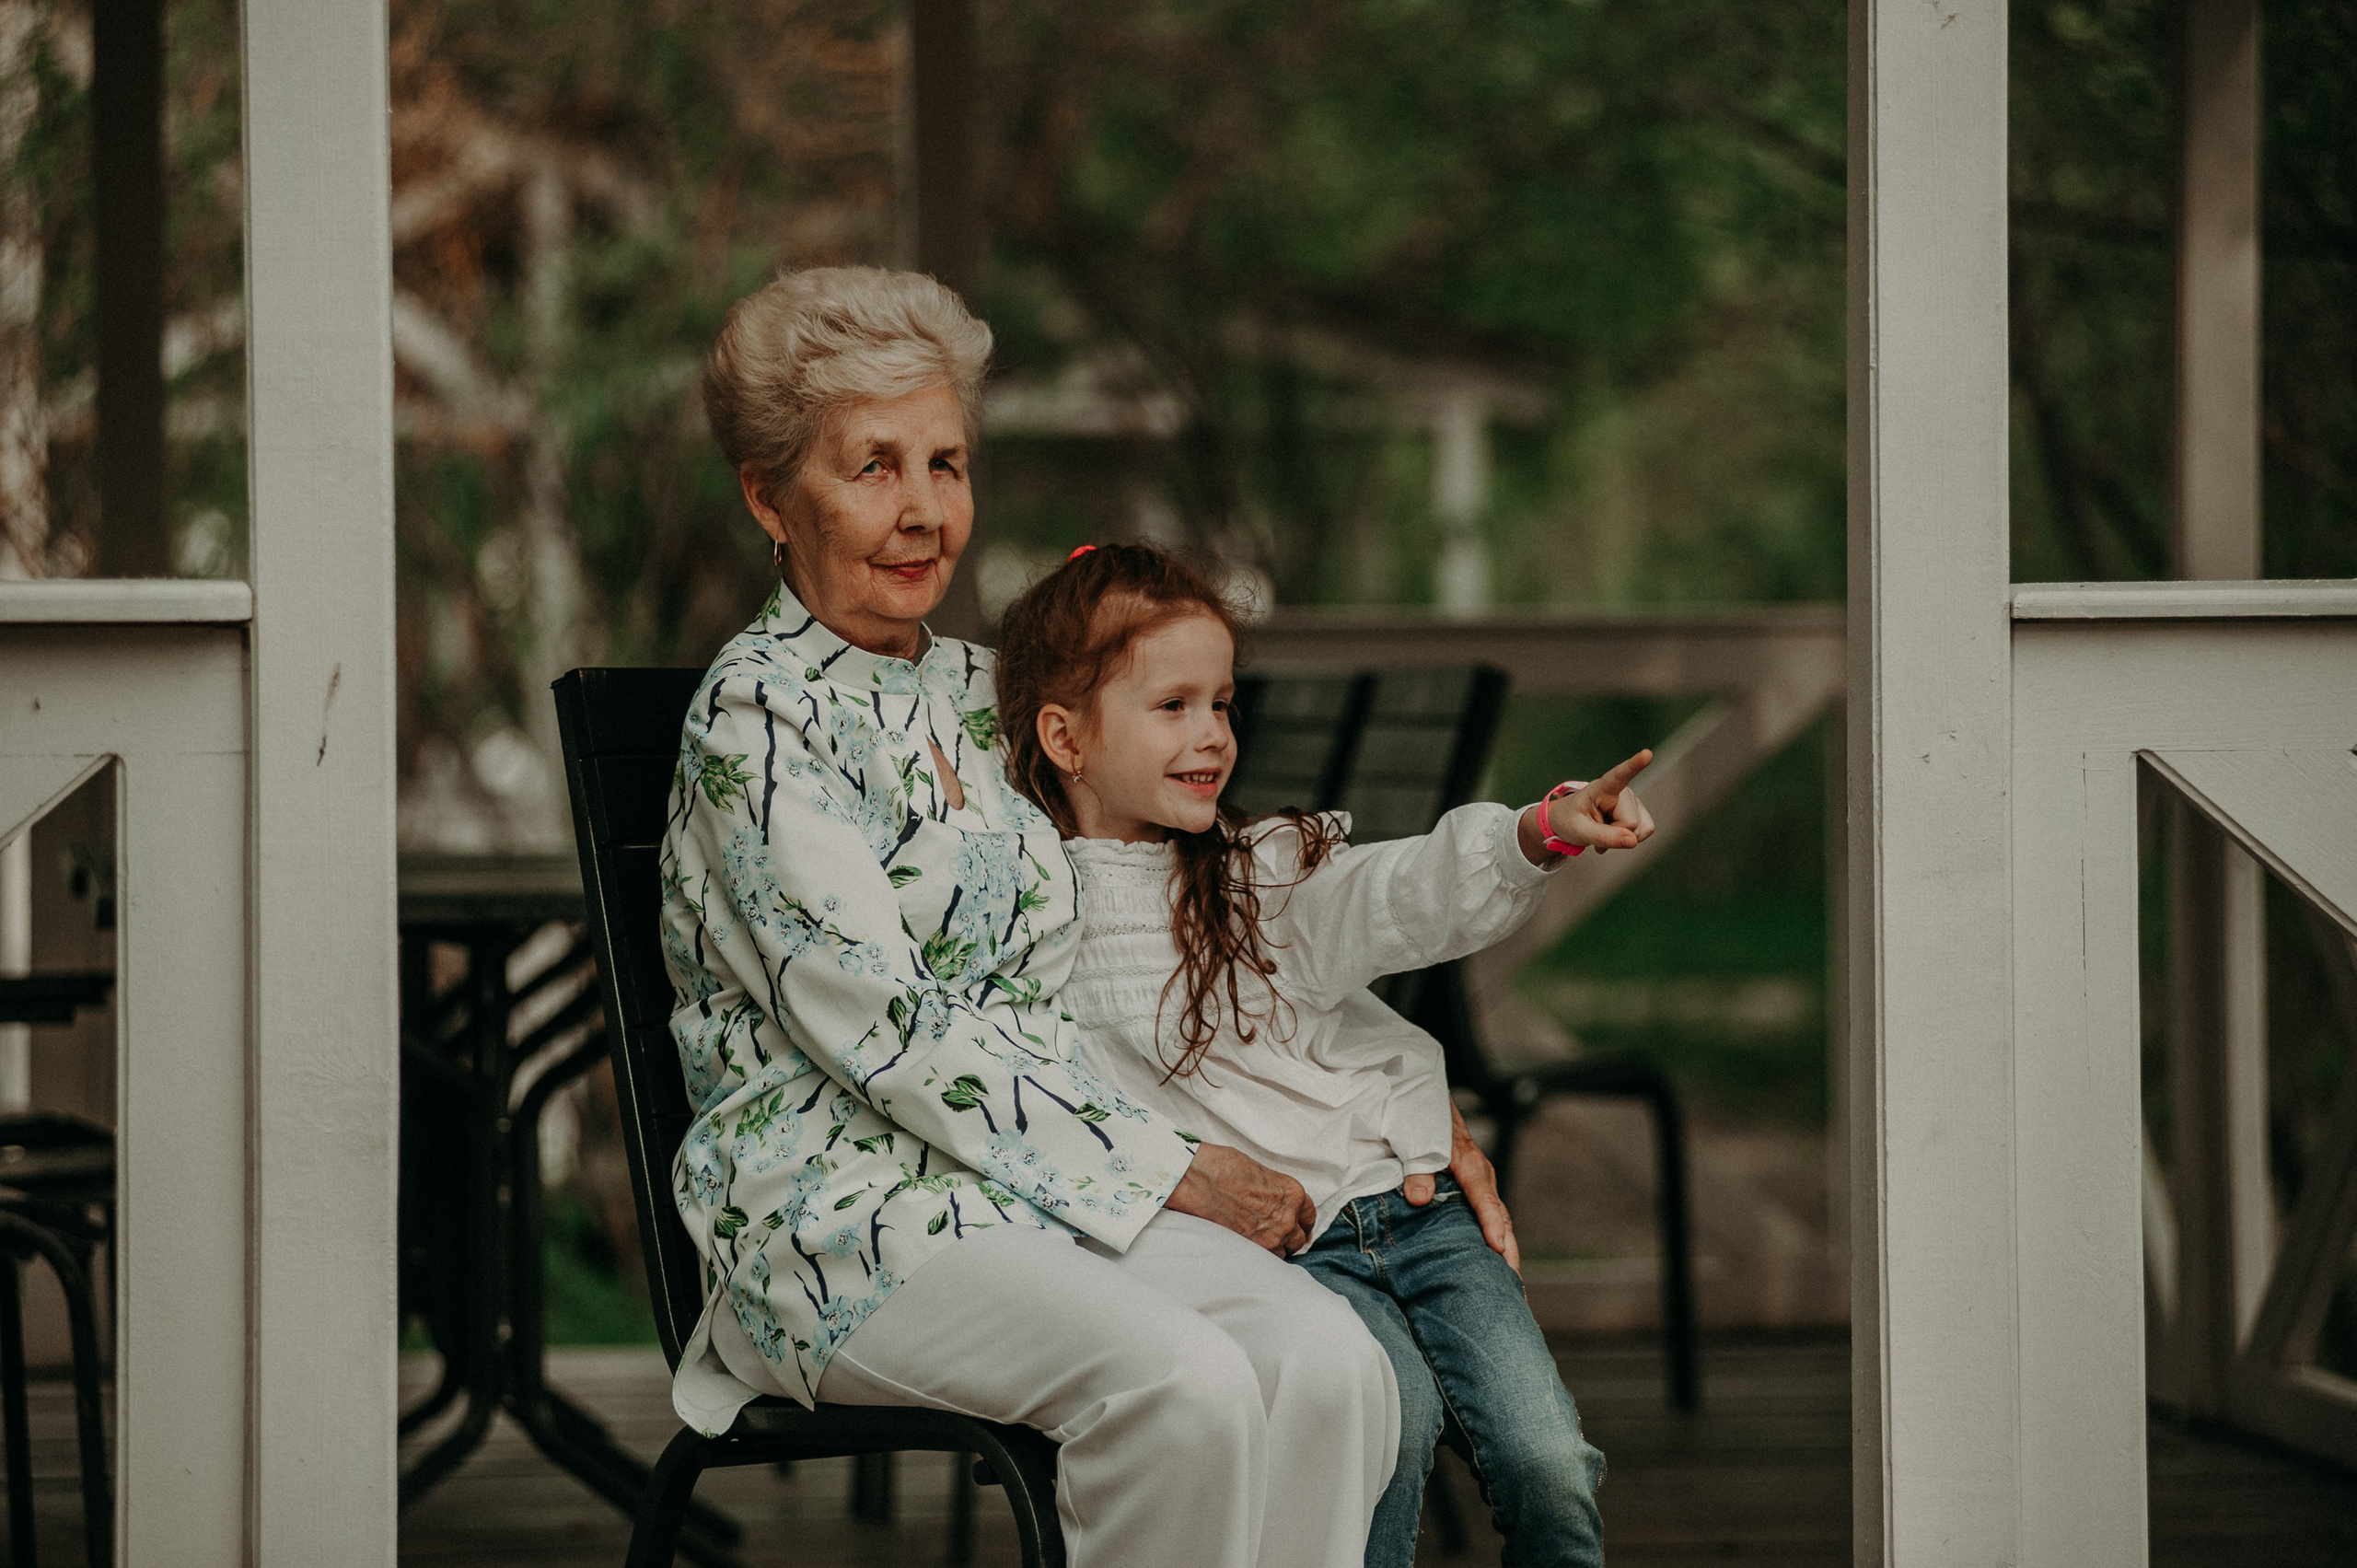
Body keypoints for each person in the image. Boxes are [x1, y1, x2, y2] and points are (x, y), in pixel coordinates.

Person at [663, 266, 1512, 1568]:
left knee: (1332, 1359)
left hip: (1039, 1191)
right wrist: (1169, 1169)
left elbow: (1187, 921)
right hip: (842, 1217)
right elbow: (890, 1029)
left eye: (945, 463)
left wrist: (1386, 1101)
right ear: (771, 498)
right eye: (873, 466)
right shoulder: (759, 722)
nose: (921, 509)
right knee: (1185, 1381)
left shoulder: (993, 693)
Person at [993, 542, 1649, 1568]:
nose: (1213, 733)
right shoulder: (1030, 914)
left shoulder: (1260, 875)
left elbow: (1399, 892)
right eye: (1173, 705)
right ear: (1063, 736)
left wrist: (1535, 833)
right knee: (1384, 1434)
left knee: (1547, 1458)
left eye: (1222, 703)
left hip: (1416, 1207)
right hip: (1286, 1250)